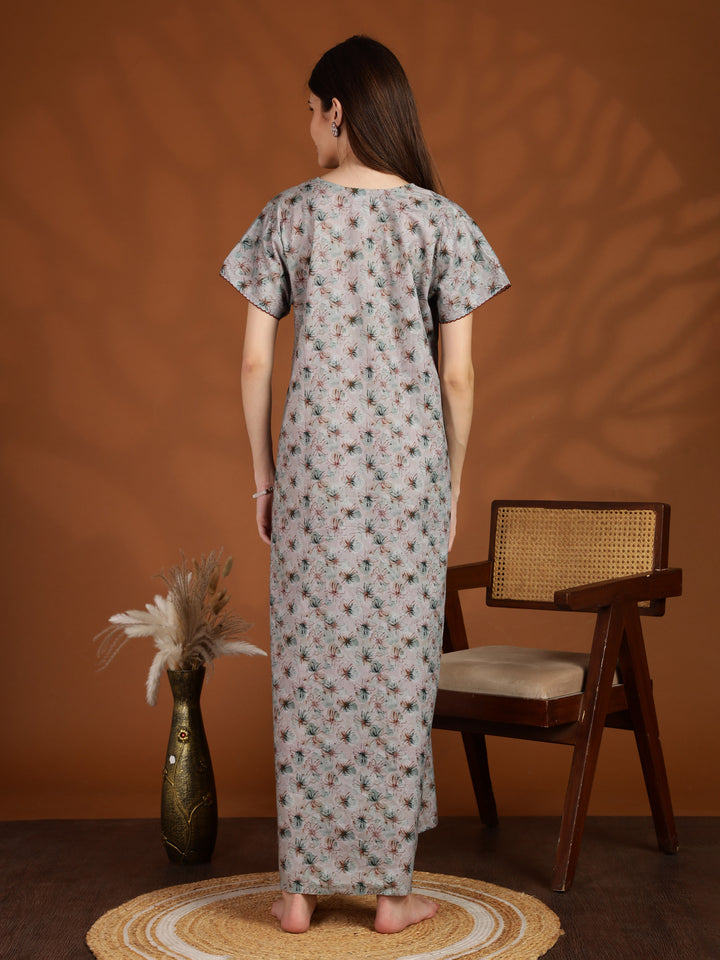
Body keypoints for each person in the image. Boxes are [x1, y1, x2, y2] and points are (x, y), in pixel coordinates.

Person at [221, 35, 509, 935]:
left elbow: (254, 362)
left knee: (309, 671)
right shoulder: (441, 222)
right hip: (409, 478)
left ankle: (298, 892)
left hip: (315, 475)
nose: (308, 128)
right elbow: (459, 378)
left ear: (338, 112)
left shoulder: (288, 215)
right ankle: (391, 894)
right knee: (397, 670)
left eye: (312, 112)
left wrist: (264, 480)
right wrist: (452, 483)